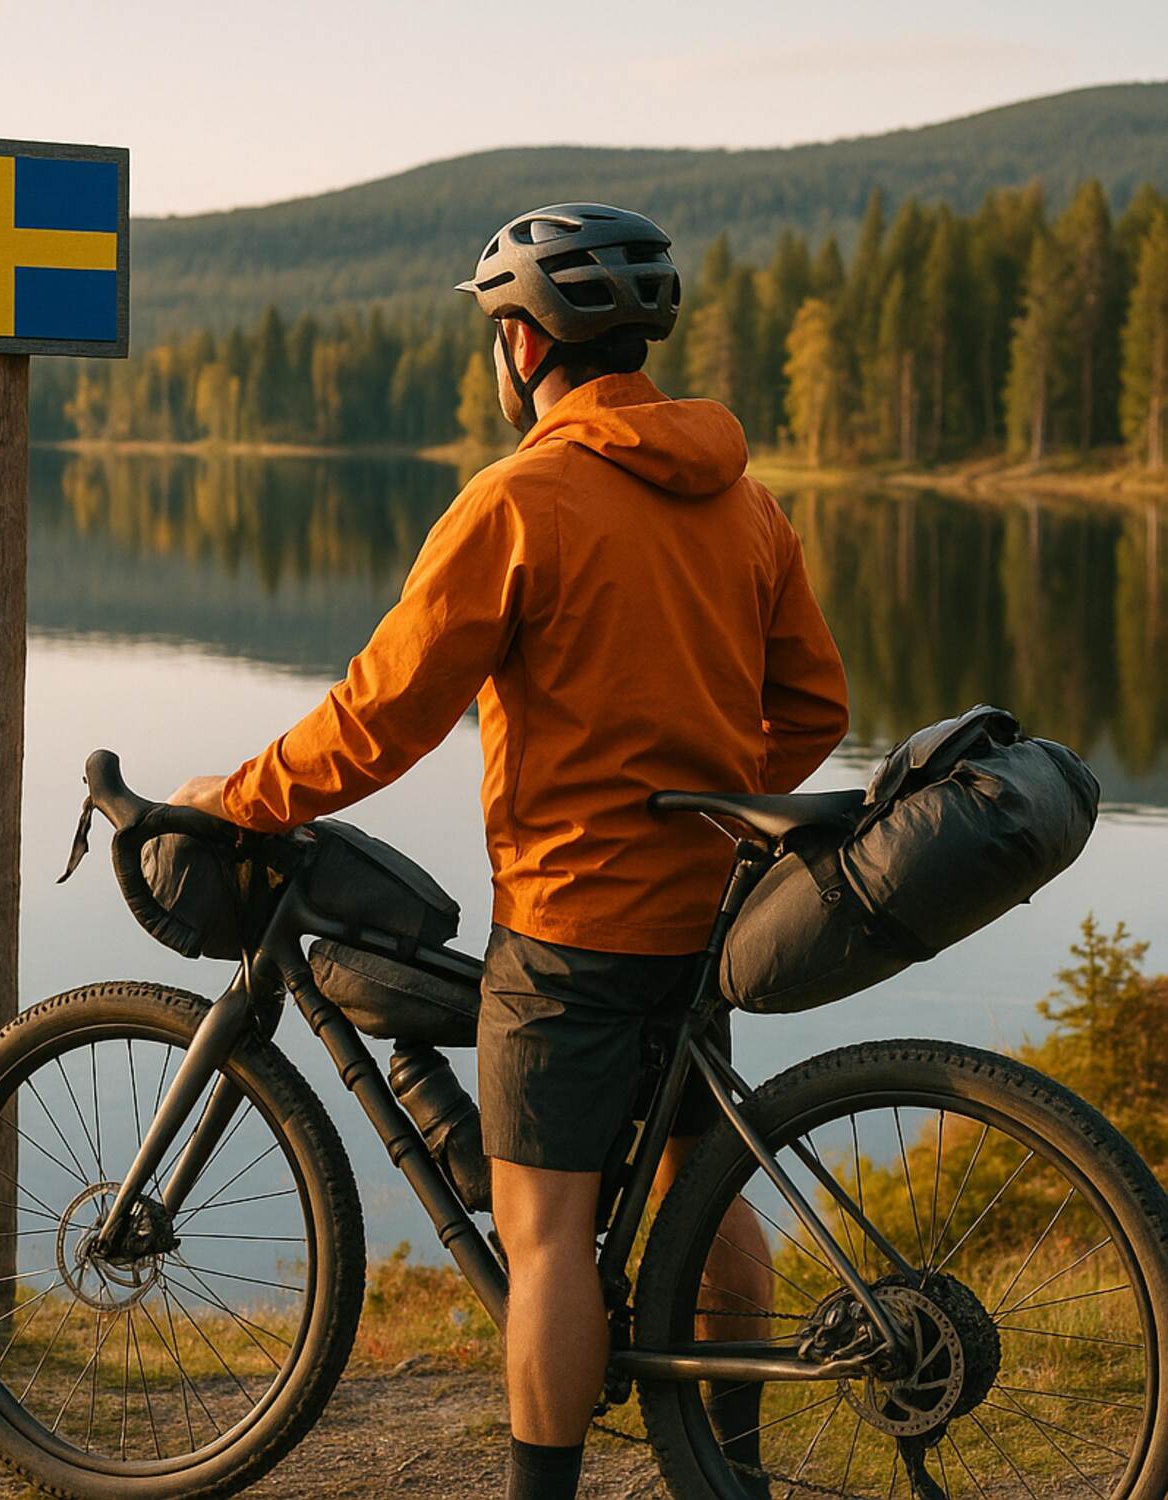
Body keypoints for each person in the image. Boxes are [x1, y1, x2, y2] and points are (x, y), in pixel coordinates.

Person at [170, 203, 849, 1500]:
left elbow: (382, 715)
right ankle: (734, 1481)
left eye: (500, 331)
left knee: (543, 1244)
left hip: (573, 932)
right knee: (709, 1202)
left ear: (527, 345)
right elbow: (816, 708)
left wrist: (242, 796)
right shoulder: (745, 503)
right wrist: (720, 804)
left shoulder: (522, 500)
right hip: (706, 919)